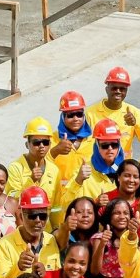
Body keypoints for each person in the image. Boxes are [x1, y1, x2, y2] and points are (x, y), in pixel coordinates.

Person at [0, 186, 62, 278]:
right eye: (32, 216)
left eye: (43, 216)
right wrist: (18, 268)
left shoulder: (51, 240)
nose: (38, 221)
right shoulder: (5, 244)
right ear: (21, 216)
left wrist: (46, 275)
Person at [6, 118, 64, 227]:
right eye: (36, 142)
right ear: (27, 144)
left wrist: (56, 229)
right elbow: (11, 201)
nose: (41, 146)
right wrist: (31, 180)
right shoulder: (15, 168)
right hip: (22, 227)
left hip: (46, 230)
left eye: (45, 142)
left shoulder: (54, 170)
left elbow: (56, 206)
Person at [48, 92, 95, 225]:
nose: (76, 119)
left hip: (86, 203)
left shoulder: (93, 141)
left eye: (79, 114)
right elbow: (41, 163)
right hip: (62, 202)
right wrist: (55, 151)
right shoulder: (52, 139)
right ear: (63, 117)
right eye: (70, 115)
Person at [86, 67, 140, 156]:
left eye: (122, 89)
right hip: (98, 167)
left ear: (126, 91)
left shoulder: (133, 112)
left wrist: (136, 123)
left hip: (123, 167)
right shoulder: (90, 113)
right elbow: (84, 145)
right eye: (114, 88)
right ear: (107, 89)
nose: (118, 91)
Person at [64, 118, 125, 202]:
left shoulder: (126, 170)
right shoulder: (83, 172)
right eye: (105, 145)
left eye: (114, 145)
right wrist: (78, 181)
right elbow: (66, 203)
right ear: (97, 146)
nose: (110, 149)